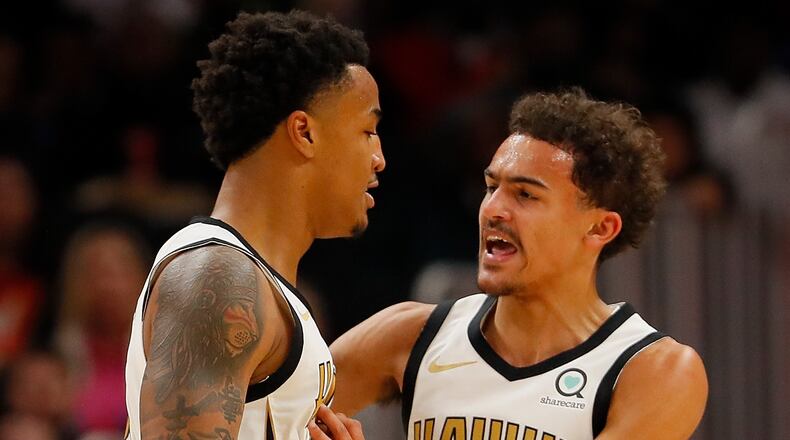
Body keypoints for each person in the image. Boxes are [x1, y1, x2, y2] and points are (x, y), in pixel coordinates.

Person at [331, 88, 708, 439]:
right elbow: (277, 409)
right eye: (492, 187)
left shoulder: (652, 369)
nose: (493, 209)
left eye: (525, 195)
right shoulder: (409, 333)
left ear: (599, 228)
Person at [124, 10, 384, 440]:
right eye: (368, 131)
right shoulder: (219, 277)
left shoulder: (252, 279)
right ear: (305, 132)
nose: (379, 159)